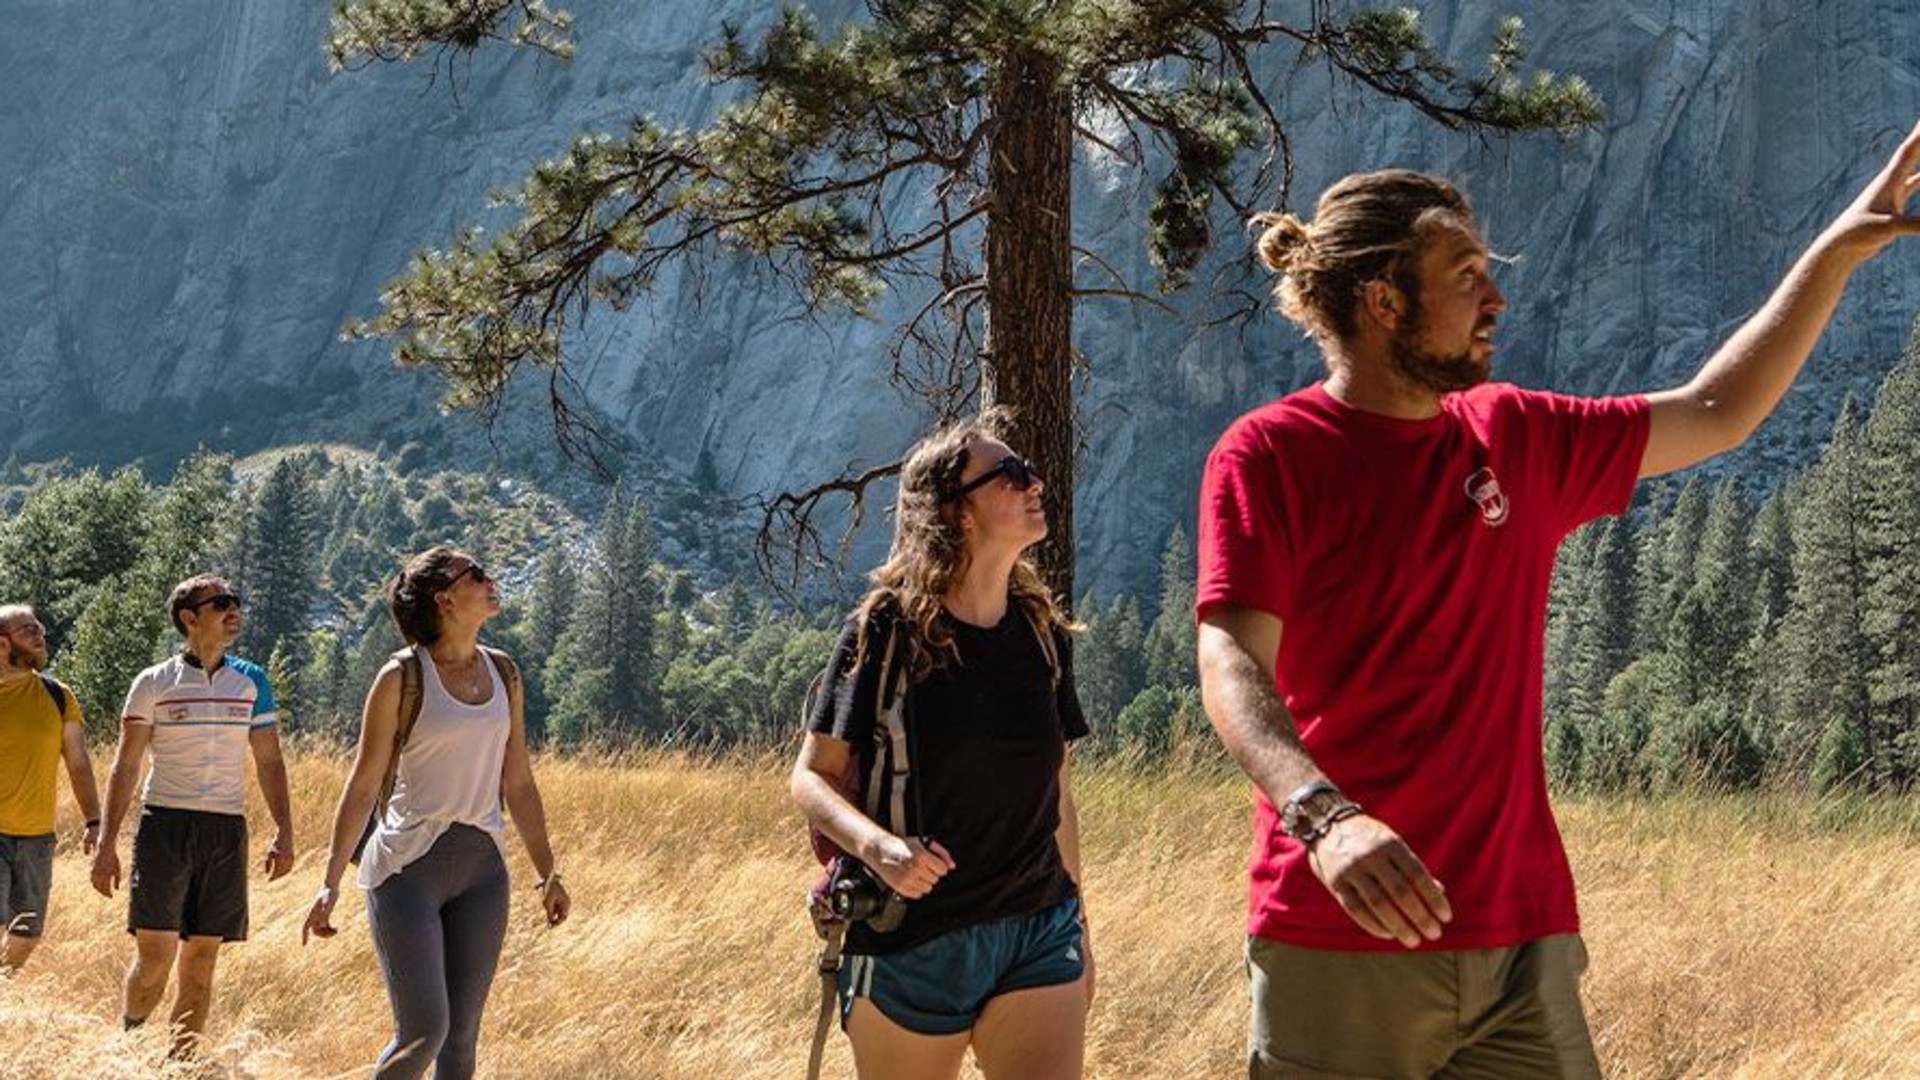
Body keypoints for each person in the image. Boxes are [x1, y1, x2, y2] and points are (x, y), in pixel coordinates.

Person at [1197, 123, 1920, 1078]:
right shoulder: (1271, 453)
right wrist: (1323, 817)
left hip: (1519, 936)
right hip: (1343, 927)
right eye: (1464, 275)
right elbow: (1231, 662)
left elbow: (1716, 410)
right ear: (1382, 301)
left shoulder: (1515, 437)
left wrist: (1837, 249)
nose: (1495, 297)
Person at [791, 409, 1093, 1080]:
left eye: (1032, 470)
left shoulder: (1041, 634)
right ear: (956, 511)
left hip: (1038, 928)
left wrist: (1080, 927)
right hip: (913, 940)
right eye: (1010, 474)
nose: (1034, 482)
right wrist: (880, 849)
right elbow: (811, 778)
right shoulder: (885, 631)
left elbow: (1059, 793)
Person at [302, 546, 570, 1080]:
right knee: (424, 1032)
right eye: (477, 574)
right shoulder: (401, 677)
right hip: (405, 871)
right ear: (445, 599)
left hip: (483, 873)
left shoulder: (504, 672)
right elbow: (362, 786)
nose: (491, 580)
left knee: (461, 1042)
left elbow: (518, 781)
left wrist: (547, 873)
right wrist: (329, 883)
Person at [90, 575, 295, 1054]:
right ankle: (129, 1045)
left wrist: (285, 831)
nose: (233, 610)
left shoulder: (252, 682)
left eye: (236, 602)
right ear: (189, 617)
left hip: (226, 830)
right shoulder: (153, 683)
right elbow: (126, 765)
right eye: (220, 603)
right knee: (156, 957)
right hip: (165, 825)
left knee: (201, 961)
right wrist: (105, 846)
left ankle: (178, 1064)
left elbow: (269, 760)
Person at [0, 604, 102, 972]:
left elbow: (78, 763)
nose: (40, 635)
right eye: (27, 630)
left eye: (39, 628)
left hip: (36, 838)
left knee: (27, 933)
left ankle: (4, 993)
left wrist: (94, 820)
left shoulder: (58, 696)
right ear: (1, 645)